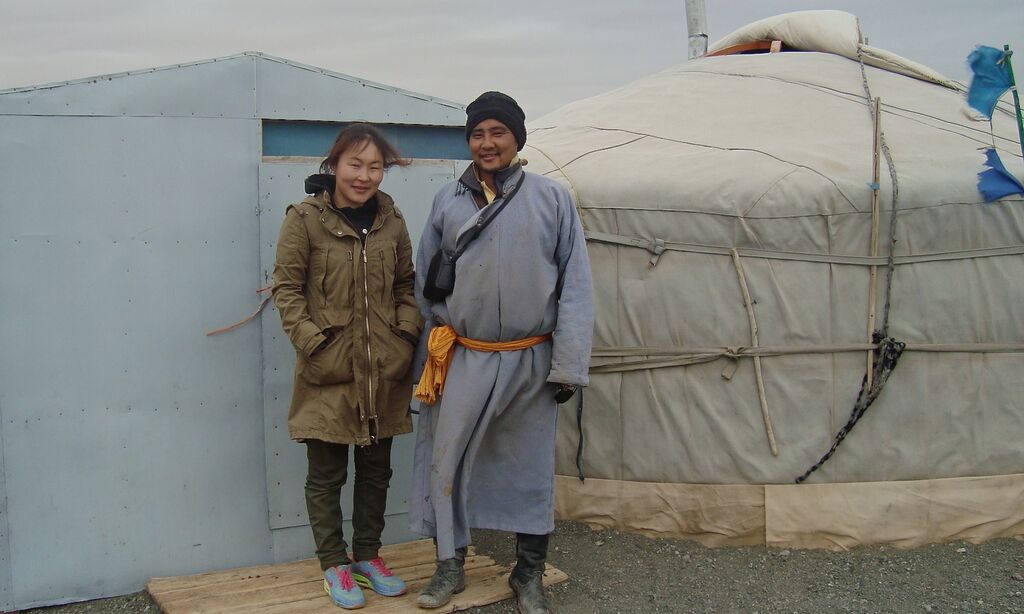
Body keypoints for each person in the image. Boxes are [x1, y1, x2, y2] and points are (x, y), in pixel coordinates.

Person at [409, 92, 593, 613]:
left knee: (528, 465)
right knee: (448, 460)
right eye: (477, 134)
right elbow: (426, 286)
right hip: (463, 354)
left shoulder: (552, 199)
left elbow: (575, 285)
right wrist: (428, 363)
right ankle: (450, 568)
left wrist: (567, 366)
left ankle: (527, 573)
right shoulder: (447, 200)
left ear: (517, 138)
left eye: (497, 132)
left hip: (530, 358)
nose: (487, 143)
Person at [272, 123, 423, 610]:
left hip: (383, 370)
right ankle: (333, 564)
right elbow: (287, 290)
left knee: (377, 471)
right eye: (355, 164)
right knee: (327, 473)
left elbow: (406, 285)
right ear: (334, 165)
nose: (364, 175)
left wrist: (405, 336)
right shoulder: (305, 219)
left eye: (374, 166)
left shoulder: (391, 220)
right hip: (329, 372)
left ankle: (368, 556)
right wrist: (313, 343)